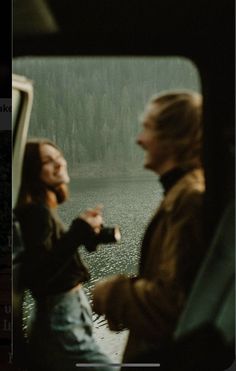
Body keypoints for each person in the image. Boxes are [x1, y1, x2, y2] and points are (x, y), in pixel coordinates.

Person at [92, 90, 206, 364]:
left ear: (174, 138)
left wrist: (110, 293)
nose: (139, 140)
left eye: (147, 129)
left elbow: (173, 305)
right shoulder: (181, 193)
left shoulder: (190, 200)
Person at [14, 138, 114, 371]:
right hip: (60, 316)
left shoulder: (42, 209)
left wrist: (83, 234)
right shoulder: (36, 212)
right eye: (48, 161)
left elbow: (51, 256)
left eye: (58, 157)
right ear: (32, 171)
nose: (59, 164)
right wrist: (78, 232)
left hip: (67, 312)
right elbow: (37, 274)